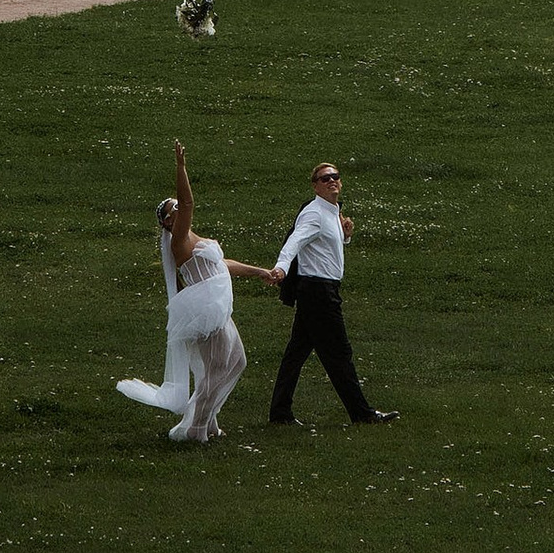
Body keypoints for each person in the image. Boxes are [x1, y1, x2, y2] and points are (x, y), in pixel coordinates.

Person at [118, 140, 277, 447]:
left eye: (174, 205)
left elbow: (221, 264)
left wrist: (259, 271)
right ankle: (196, 427)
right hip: (207, 307)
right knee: (216, 369)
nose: (177, 208)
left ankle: (209, 419)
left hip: (217, 303)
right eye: (171, 209)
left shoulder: (193, 237)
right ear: (167, 222)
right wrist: (181, 167)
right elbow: (188, 203)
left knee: (237, 361)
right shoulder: (178, 239)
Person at [268, 156, 396, 428]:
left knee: (297, 352)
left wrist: (346, 235)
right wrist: (280, 268)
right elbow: (296, 241)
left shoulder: (332, 211)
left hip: (322, 289)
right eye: (325, 178)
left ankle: (280, 412)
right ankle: (361, 413)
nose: (332, 181)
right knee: (339, 353)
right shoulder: (314, 213)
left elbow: (325, 248)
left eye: (335, 177)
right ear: (315, 186)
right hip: (318, 292)